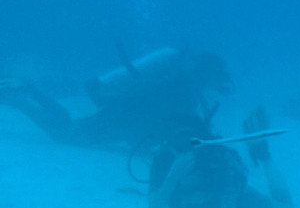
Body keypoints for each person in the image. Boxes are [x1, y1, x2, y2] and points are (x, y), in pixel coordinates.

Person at [0, 47, 234, 148]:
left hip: (121, 117)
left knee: (69, 128)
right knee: (65, 134)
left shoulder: (181, 84)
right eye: (215, 79)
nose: (215, 85)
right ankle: (24, 98)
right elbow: (175, 118)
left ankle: (27, 96)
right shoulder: (184, 89)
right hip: (120, 121)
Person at [146, 106, 294, 208]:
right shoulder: (164, 161)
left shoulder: (215, 161)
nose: (185, 152)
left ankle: (262, 153)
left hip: (226, 202)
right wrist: (172, 177)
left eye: (190, 144)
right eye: (179, 145)